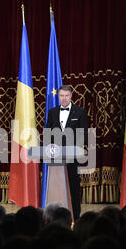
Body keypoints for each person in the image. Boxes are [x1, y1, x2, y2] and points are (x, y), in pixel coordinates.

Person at [45, 85, 88, 221]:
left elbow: (83, 135)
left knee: (74, 187)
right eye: (61, 96)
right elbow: (47, 134)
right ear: (59, 97)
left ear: (71, 96)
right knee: (56, 187)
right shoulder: (52, 112)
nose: (64, 99)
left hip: (72, 157)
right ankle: (54, 217)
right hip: (55, 157)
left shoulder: (80, 112)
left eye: (66, 96)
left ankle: (76, 217)